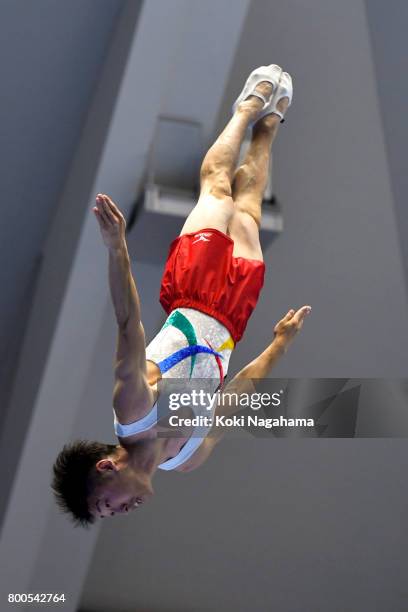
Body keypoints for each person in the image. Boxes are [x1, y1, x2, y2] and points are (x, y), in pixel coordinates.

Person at [52, 64, 311, 526]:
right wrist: (279, 346)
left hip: (192, 292)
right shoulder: (188, 457)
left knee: (218, 187)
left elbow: (129, 323)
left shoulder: (132, 411)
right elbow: (238, 397)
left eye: (103, 504)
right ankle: (269, 127)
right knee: (249, 209)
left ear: (105, 467)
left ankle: (246, 109)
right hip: (232, 318)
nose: (117, 511)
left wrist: (119, 250)